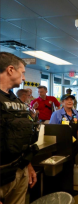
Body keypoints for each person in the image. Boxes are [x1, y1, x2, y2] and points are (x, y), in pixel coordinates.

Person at [0, 52, 38, 204]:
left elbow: (22, 137)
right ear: (10, 70)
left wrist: (28, 166)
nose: (23, 78)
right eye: (22, 73)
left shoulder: (15, 100)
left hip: (19, 171)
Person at [49, 94, 78, 196]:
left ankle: (69, 190)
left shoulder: (75, 113)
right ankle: (61, 191)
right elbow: (52, 130)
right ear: (62, 102)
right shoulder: (57, 114)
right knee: (62, 168)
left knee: (70, 167)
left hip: (73, 144)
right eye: (67, 100)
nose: (70, 102)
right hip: (61, 145)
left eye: (71, 100)